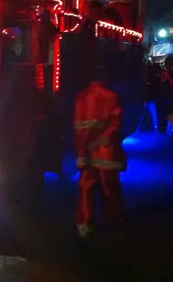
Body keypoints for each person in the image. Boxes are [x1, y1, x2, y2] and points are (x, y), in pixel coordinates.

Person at [73, 65, 126, 237]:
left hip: (86, 150)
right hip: (105, 151)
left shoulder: (81, 98)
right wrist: (102, 141)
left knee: (86, 187)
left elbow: (78, 128)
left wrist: (81, 152)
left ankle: (85, 223)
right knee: (109, 186)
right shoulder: (111, 97)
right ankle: (113, 218)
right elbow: (116, 125)